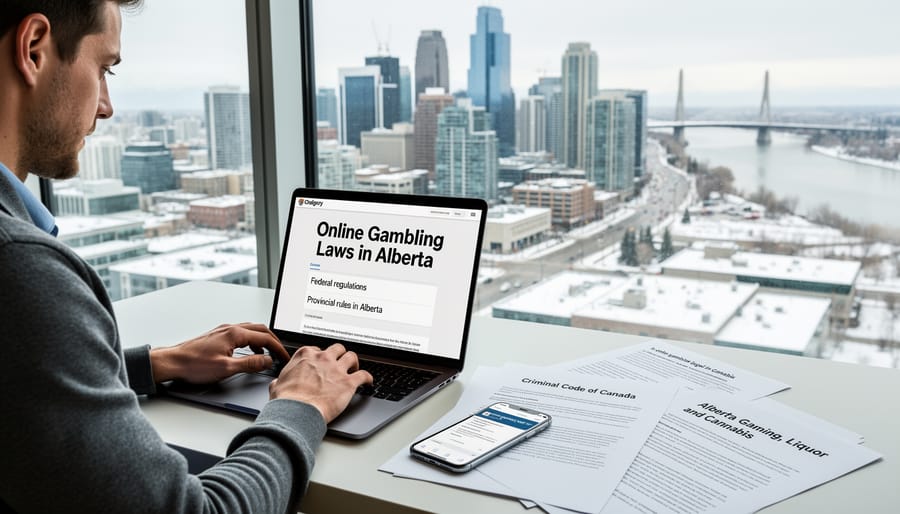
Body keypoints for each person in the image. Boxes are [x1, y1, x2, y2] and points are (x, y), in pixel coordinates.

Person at [0, 1, 373, 512]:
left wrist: (153, 364)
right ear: (34, 49)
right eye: (104, 69)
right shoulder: (21, 269)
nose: (106, 105)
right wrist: (301, 405)